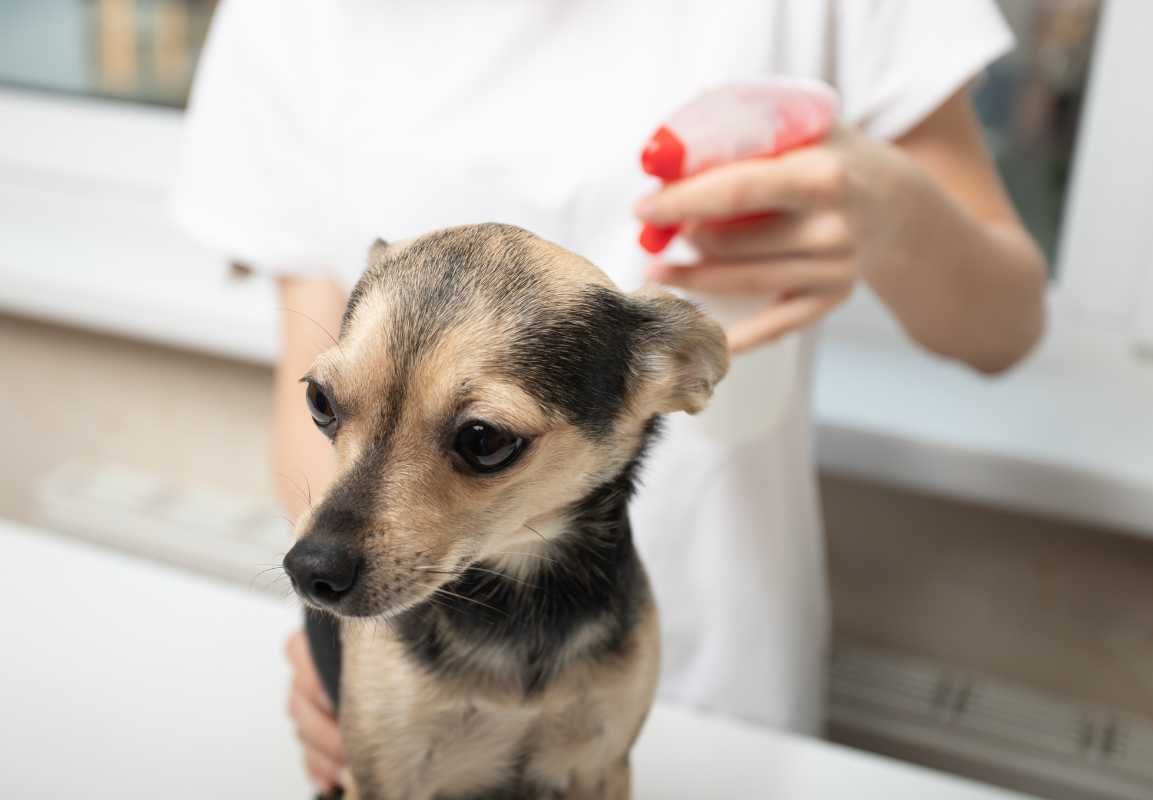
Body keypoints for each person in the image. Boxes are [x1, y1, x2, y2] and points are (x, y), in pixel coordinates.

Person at [172, 0, 1046, 793]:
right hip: (410, 648)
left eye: (481, 440)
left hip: (716, 663)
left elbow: (1006, 328)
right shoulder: (283, 18)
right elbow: (314, 357)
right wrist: (334, 634)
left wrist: (889, 210)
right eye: (337, 405)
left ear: (677, 377)